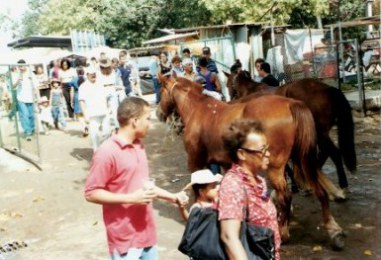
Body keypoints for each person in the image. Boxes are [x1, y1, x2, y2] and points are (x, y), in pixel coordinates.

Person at [84, 97, 189, 259]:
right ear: (134, 121)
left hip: (146, 234)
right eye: (147, 119)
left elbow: (145, 186)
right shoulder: (106, 152)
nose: (150, 124)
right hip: (124, 240)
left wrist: (173, 197)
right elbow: (91, 193)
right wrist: (130, 198)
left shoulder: (138, 145)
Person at [218, 119, 280, 260]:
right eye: (262, 150)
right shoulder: (233, 185)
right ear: (242, 154)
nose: (268, 154)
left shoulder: (259, 181)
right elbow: (229, 237)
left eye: (267, 148)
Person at [12, 59, 40, 141]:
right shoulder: (16, 75)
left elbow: (36, 86)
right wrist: (18, 80)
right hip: (21, 98)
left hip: (31, 98)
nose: (21, 68)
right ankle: (27, 132)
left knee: (31, 115)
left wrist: (38, 97)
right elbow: (13, 86)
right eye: (19, 66)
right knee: (24, 115)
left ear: (25, 65)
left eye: (22, 66)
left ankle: (31, 129)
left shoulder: (31, 74)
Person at [98, 58, 124, 130]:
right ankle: (105, 125)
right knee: (105, 109)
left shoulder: (112, 72)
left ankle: (117, 125)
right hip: (104, 89)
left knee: (114, 108)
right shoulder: (99, 73)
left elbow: (116, 81)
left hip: (111, 88)